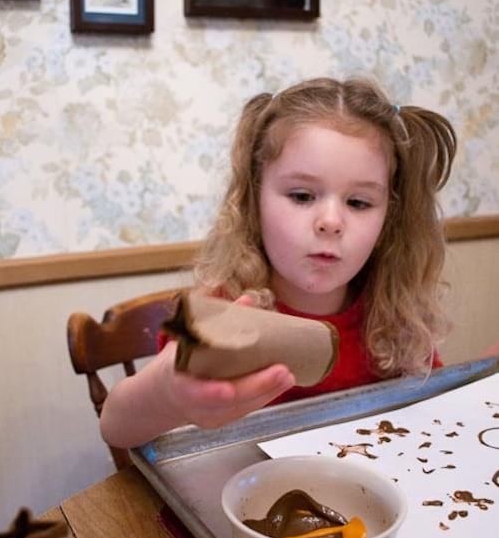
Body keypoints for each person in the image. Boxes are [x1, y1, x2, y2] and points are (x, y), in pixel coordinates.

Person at [101, 76, 482, 450]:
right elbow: (116, 427)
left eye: (359, 203)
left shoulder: (398, 319)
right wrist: (167, 393)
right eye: (302, 196)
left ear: (388, 218)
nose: (331, 222)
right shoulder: (223, 313)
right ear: (255, 200)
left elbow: (432, 419)